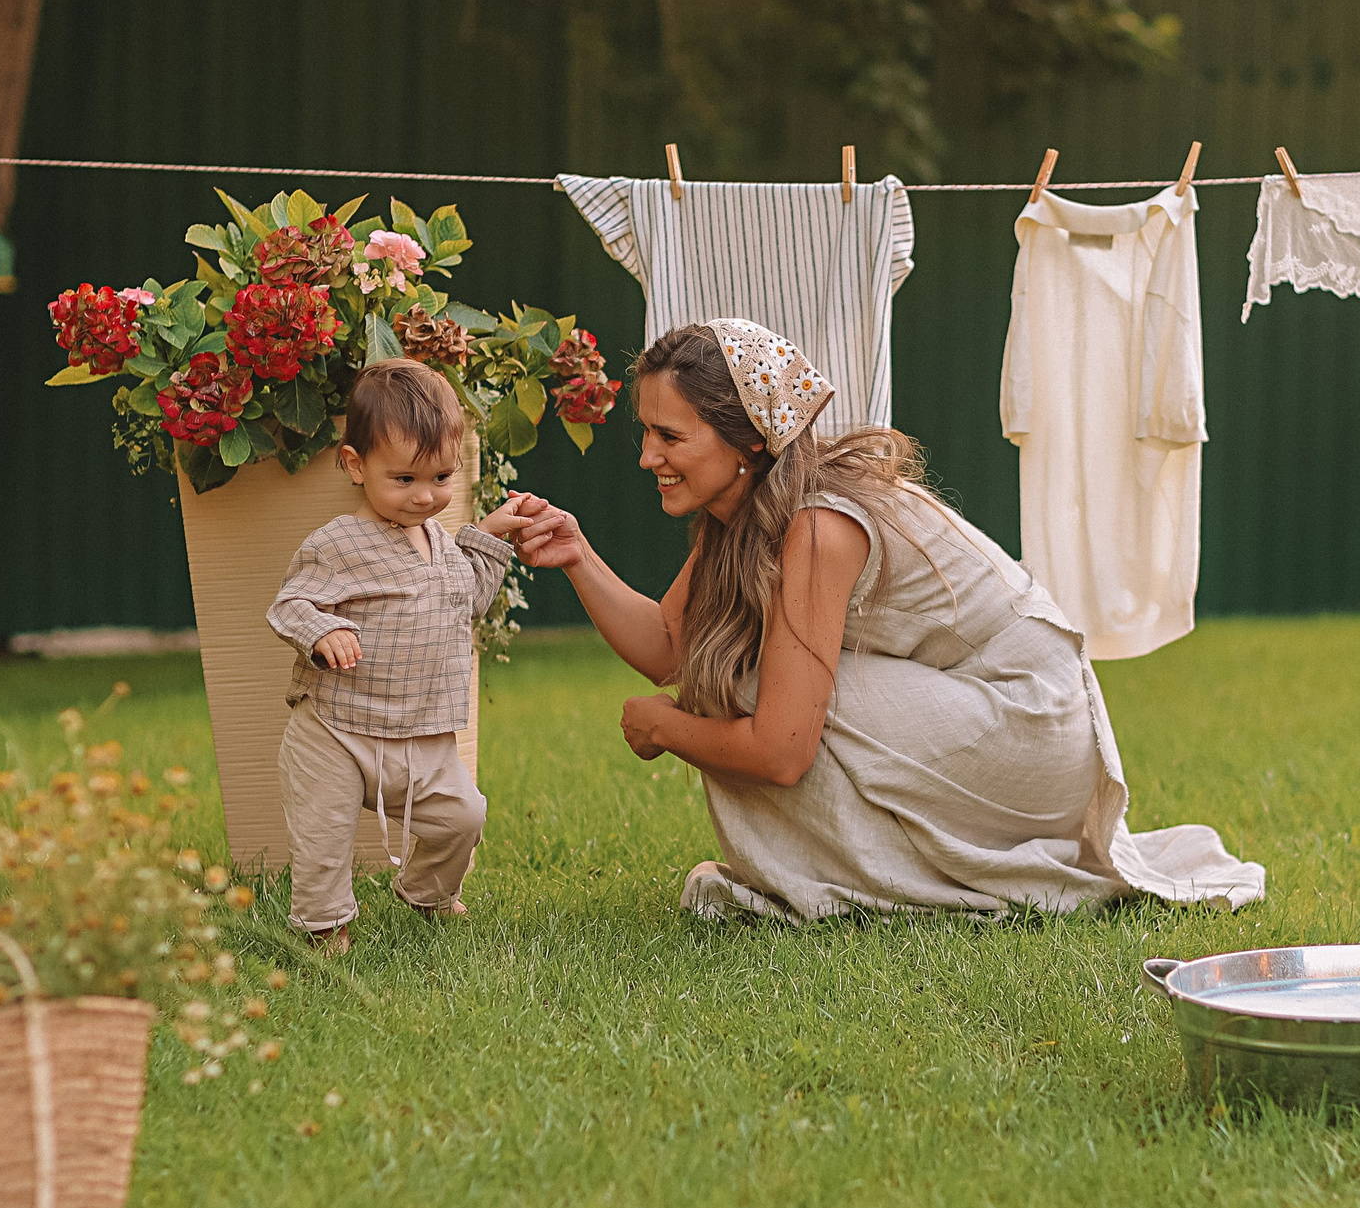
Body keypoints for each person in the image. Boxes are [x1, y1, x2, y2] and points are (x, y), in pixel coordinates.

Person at [506, 318, 1264, 922]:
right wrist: (577, 553)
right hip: (983, 709)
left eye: (669, 436)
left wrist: (666, 728)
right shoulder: (745, 508)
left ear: (746, 440)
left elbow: (780, 750)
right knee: (733, 670)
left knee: (750, 688)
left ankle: (860, 888)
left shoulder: (817, 524)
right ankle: (870, 879)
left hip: (1033, 719)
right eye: (646, 432)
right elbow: (670, 646)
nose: (646, 456)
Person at [266, 359, 542, 951]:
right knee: (326, 832)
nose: (426, 496)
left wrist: (491, 533)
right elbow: (290, 605)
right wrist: (320, 633)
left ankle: (428, 893)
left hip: (421, 733)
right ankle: (324, 926)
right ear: (354, 465)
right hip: (336, 732)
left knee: (463, 817)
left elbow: (465, 599)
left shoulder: (441, 542)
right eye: (404, 480)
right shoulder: (340, 542)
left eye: (442, 478)